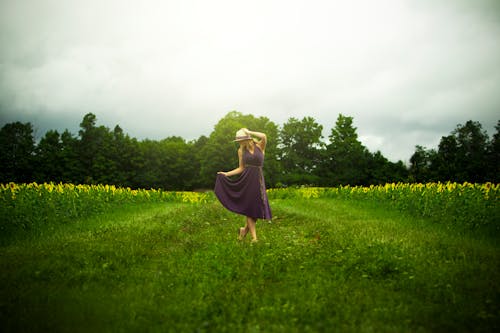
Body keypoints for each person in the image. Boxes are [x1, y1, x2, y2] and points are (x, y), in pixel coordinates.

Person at [214, 128, 272, 242]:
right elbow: (241, 168)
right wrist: (226, 174)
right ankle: (254, 238)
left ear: (247, 138)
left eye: (241, 140)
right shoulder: (241, 151)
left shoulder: (260, 146)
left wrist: (249, 132)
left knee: (256, 207)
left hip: (259, 180)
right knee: (250, 208)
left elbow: (264, 136)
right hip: (247, 180)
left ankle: (244, 230)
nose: (240, 143)